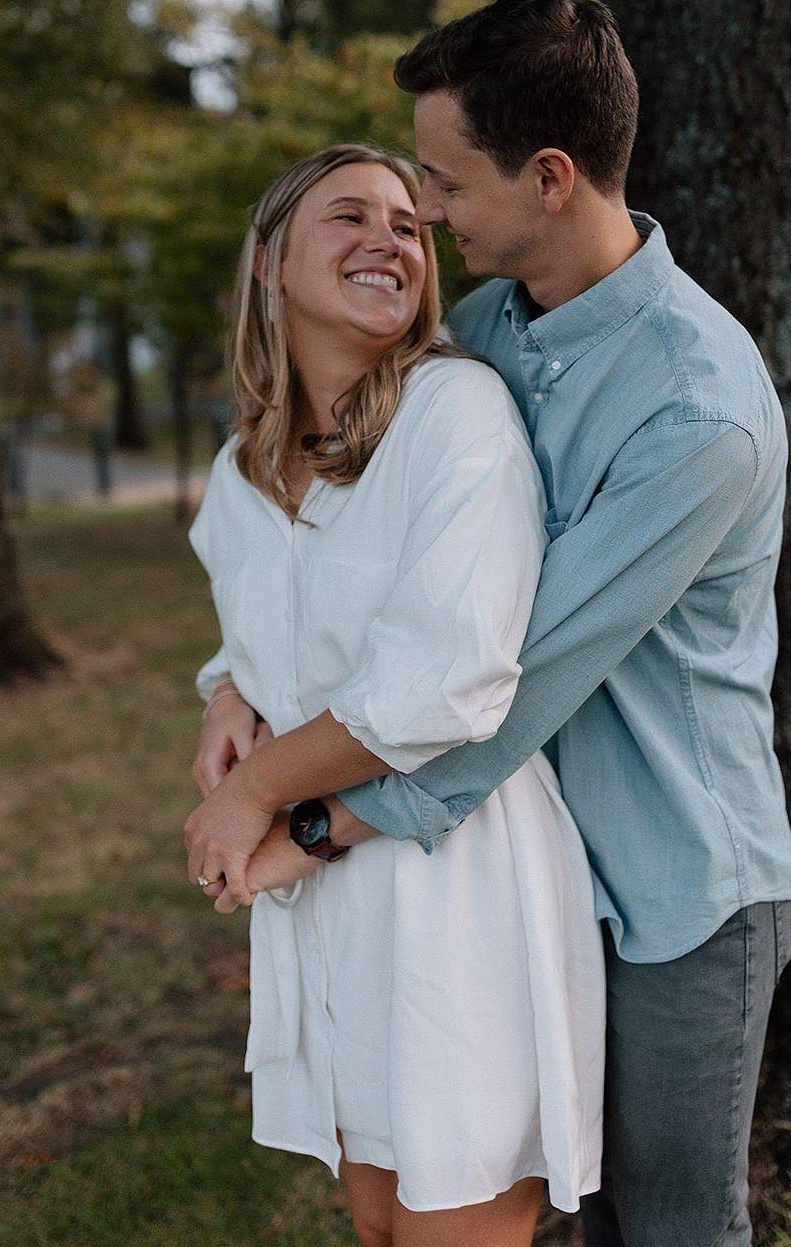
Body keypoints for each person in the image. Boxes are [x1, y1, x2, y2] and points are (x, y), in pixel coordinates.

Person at [188, 0, 791, 1247]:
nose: (426, 215)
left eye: (446, 187)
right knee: (543, 1205)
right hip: (529, 858)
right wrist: (229, 681)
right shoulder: (482, 337)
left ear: (548, 176)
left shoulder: (698, 413)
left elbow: (510, 676)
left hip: (676, 878)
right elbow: (349, 553)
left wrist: (309, 817)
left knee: (672, 1225)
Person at [183, 142, 605, 1247]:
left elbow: (446, 681)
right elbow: (262, 623)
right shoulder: (242, 468)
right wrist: (227, 689)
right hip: (322, 901)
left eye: (409, 225)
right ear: (271, 261)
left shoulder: (452, 412)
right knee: (378, 1226)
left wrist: (252, 791)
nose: (389, 238)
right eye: (348, 217)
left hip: (447, 878)